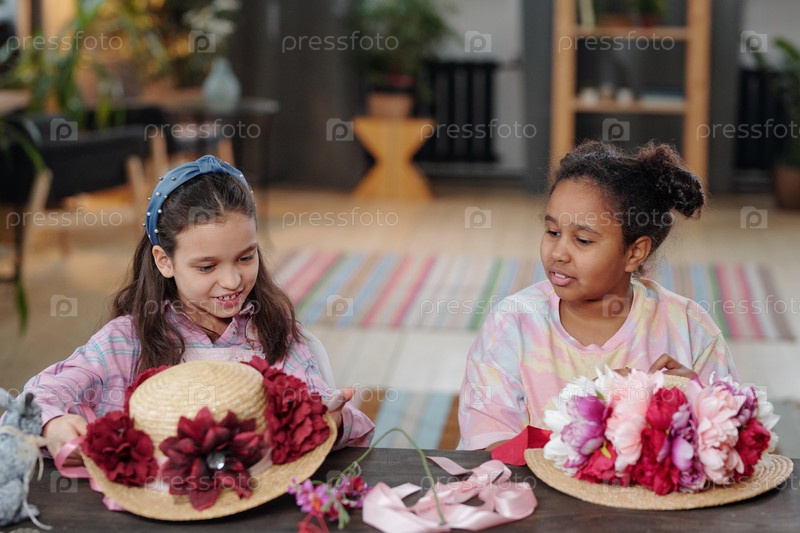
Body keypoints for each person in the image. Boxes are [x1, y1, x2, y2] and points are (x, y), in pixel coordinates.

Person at [25, 155, 374, 464]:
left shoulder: (273, 334)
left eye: (246, 257)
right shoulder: (125, 341)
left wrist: (332, 420)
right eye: (207, 267)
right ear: (164, 261)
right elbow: (37, 398)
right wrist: (52, 423)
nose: (232, 280)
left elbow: (320, 406)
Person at [458, 141, 738, 451]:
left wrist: (697, 403)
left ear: (634, 253)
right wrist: (586, 412)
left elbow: (734, 442)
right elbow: (486, 447)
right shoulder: (512, 325)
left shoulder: (690, 329)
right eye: (552, 232)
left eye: (582, 240)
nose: (558, 253)